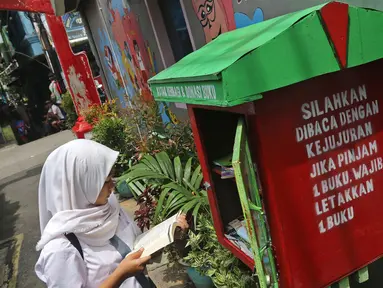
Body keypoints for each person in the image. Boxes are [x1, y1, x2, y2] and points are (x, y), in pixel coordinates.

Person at [35, 139, 189, 287]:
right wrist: (120, 274)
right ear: (80, 185)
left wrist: (167, 235)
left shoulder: (109, 208)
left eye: (111, 177)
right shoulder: (60, 250)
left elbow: (135, 249)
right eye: (105, 181)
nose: (113, 186)